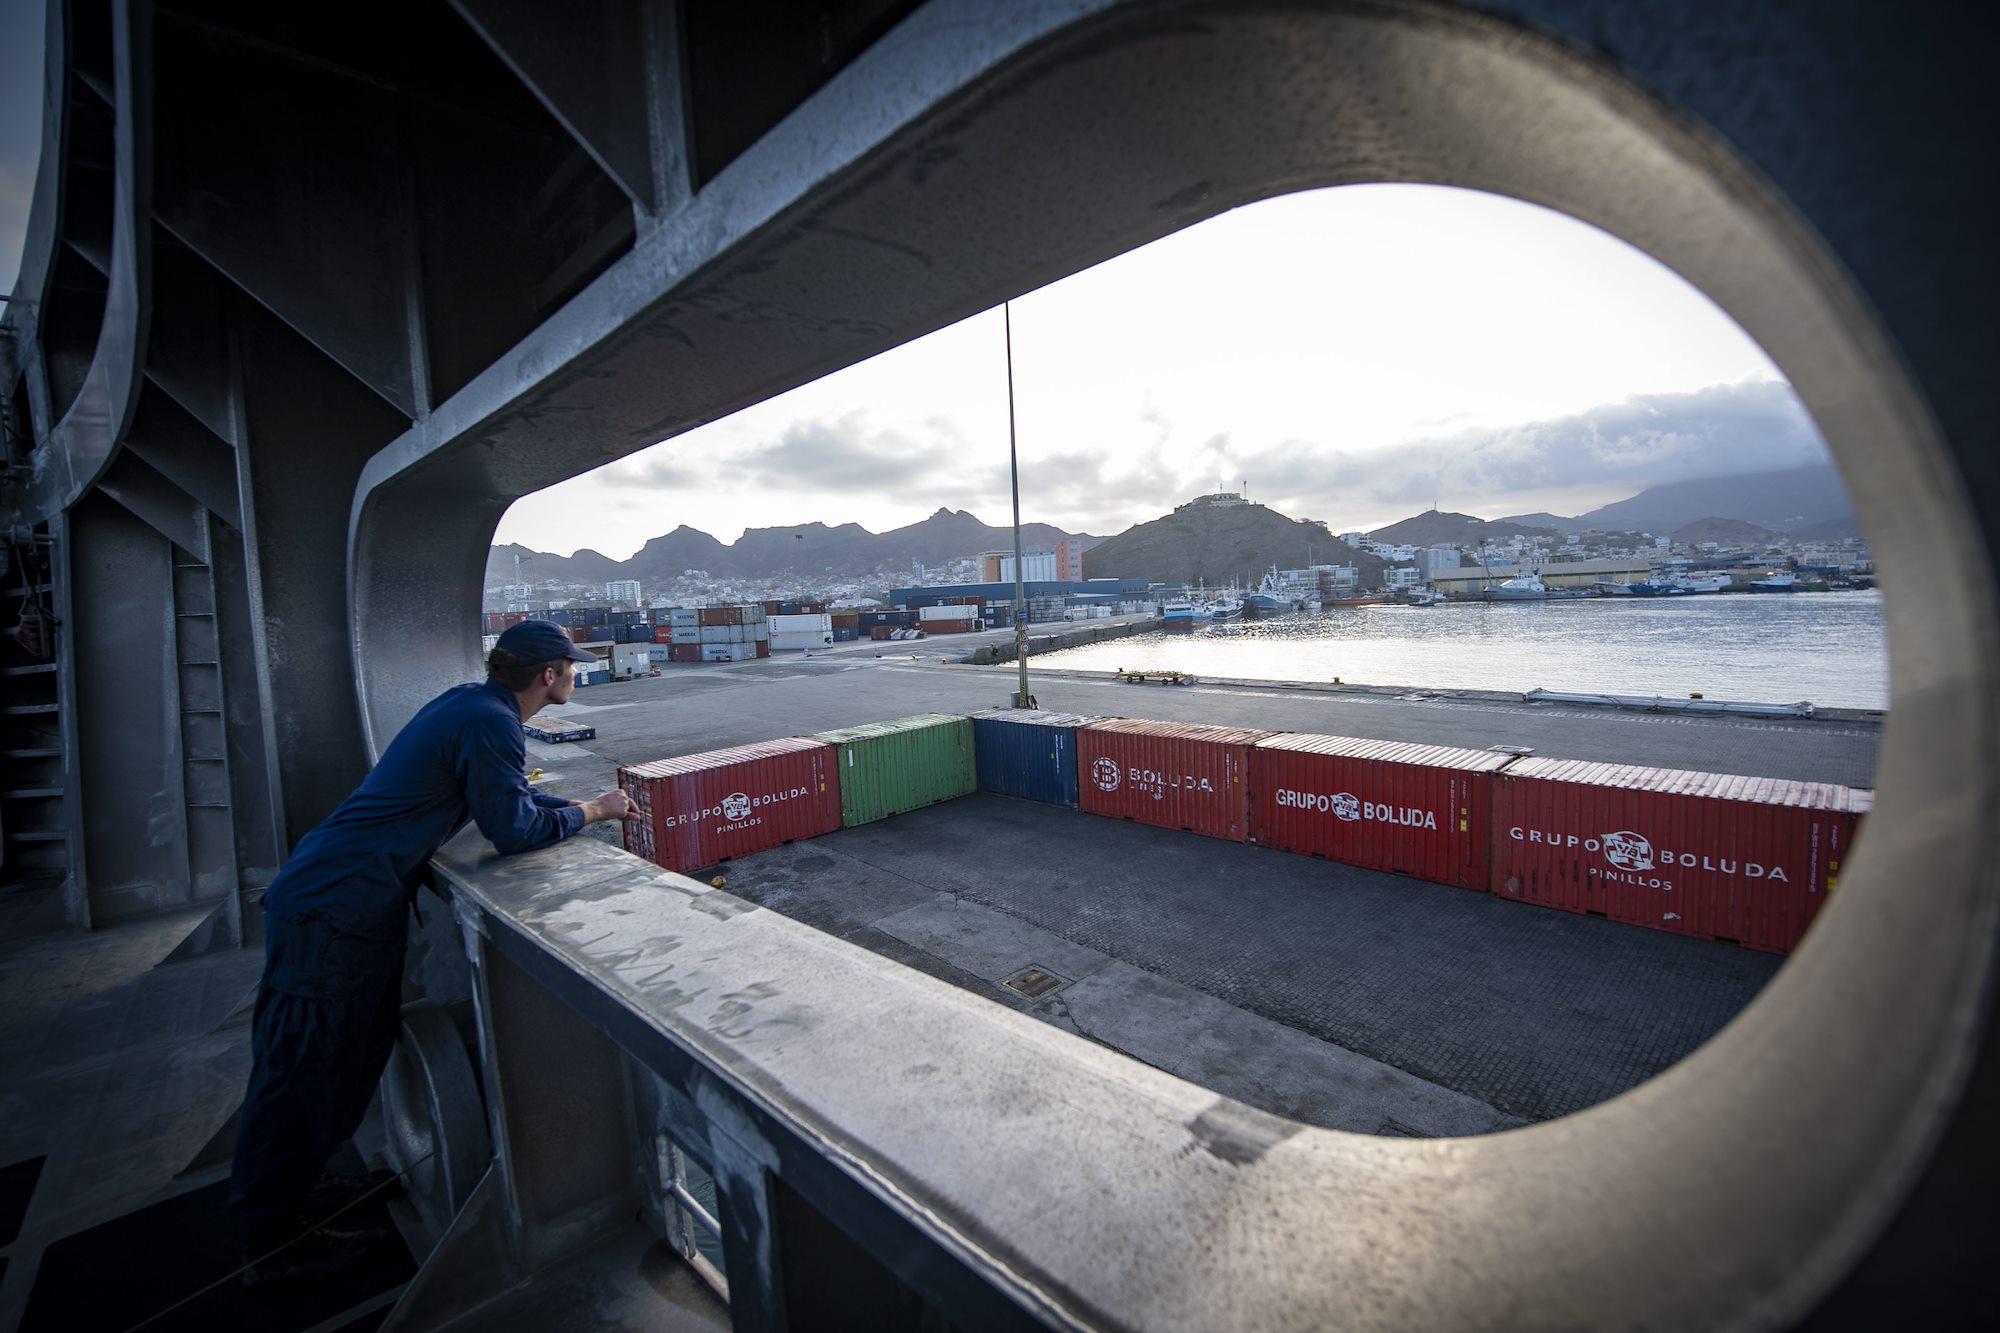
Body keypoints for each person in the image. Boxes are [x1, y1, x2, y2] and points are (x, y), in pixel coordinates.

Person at [228, 620, 638, 1286]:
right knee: (304, 1065)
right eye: (570, 667)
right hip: (334, 908)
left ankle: (299, 1190)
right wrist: (593, 812)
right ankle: (272, 1242)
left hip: (346, 903)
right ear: (548, 677)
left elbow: (512, 796)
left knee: (348, 1055)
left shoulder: (472, 704)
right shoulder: (493, 721)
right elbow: (511, 828)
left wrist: (566, 804)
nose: (574, 674)